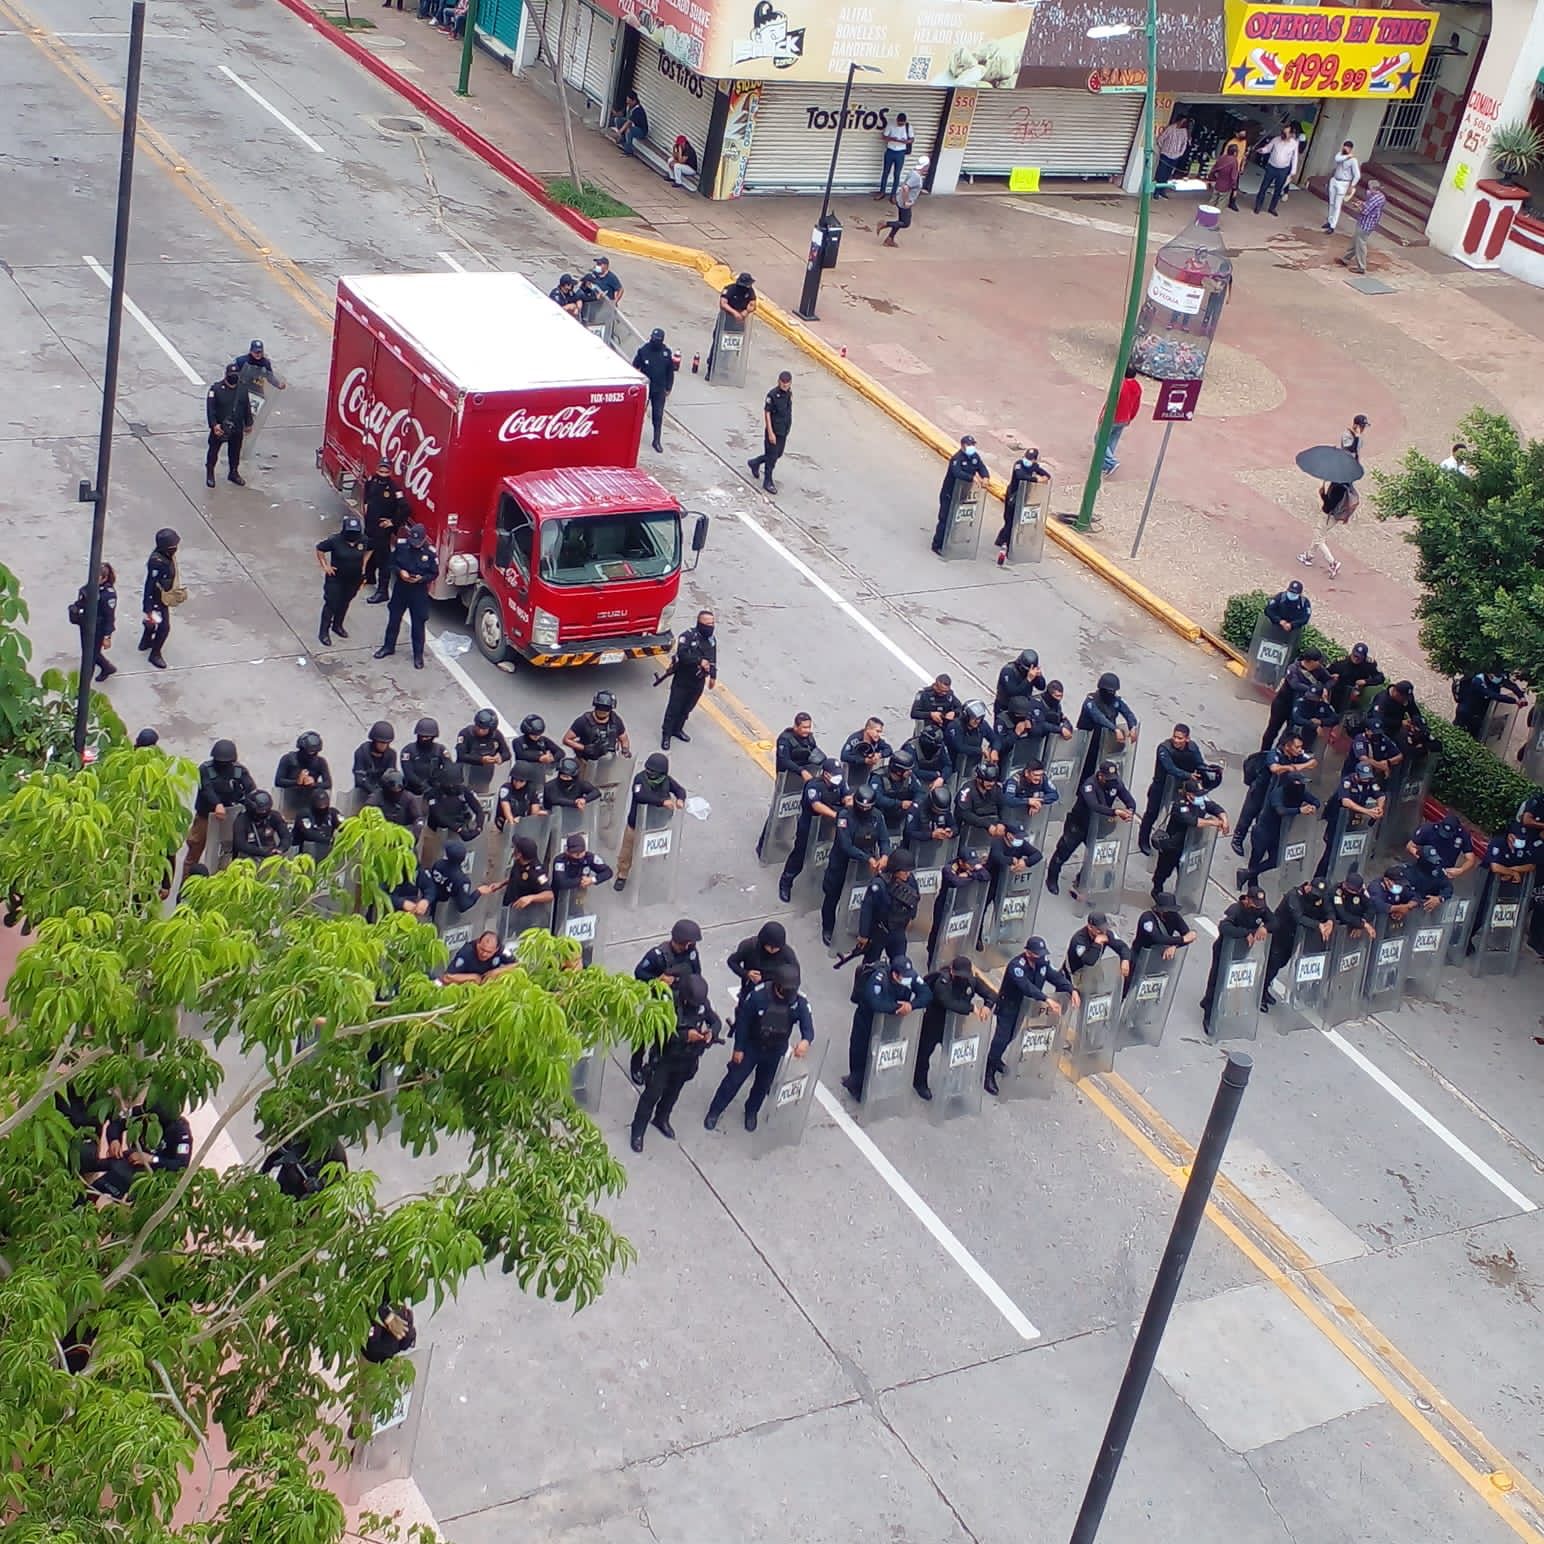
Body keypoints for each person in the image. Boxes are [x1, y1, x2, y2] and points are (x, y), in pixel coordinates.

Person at [703, 963, 813, 1135]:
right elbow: (743, 1023)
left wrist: (805, 1041)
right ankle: (715, 1110)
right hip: (752, 1046)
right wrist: (738, 1048)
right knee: (733, 1081)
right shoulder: (758, 996)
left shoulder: (798, 1001)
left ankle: (751, 1111)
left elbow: (808, 1026)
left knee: (763, 1085)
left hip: (775, 1051)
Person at [631, 974, 721, 1151]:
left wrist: (712, 1033)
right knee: (651, 1095)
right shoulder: (668, 1002)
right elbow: (661, 1031)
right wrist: (686, 1036)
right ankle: (638, 1131)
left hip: (687, 1060)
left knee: (673, 1093)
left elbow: (715, 1021)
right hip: (665, 1058)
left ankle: (661, 1119)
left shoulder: (702, 1003)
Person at [985, 936, 1076, 1096]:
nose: (1040, 957)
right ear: (1028, 953)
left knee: (1011, 1036)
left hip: (1024, 1008)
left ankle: (996, 1060)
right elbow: (1026, 987)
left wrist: (1071, 989)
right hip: (1008, 1008)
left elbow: (1054, 976)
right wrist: (1046, 999)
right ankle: (988, 1073)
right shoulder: (1016, 966)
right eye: (1037, 954)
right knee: (1001, 1039)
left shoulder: (1042, 963)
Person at [843, 953, 930, 1101]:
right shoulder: (879, 979)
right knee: (860, 1052)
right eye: (903, 977)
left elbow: (926, 994)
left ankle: (877, 1082)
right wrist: (898, 1007)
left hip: (891, 1023)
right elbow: (875, 1002)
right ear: (894, 974)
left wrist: (911, 1005)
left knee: (886, 1051)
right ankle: (856, 1086)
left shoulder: (909, 977)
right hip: (867, 1020)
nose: (907, 980)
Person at [1046, 759, 1135, 898]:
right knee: (1063, 852)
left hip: (1098, 826)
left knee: (1095, 857)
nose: (1111, 781)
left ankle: (1081, 881)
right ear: (1100, 775)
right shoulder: (1089, 785)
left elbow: (1129, 799)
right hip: (1078, 824)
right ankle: (1052, 878)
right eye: (1108, 778)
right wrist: (1115, 812)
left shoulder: (1115, 783)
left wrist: (1130, 810)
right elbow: (1094, 806)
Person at [631, 918, 704, 1083]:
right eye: (686, 943)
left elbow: (696, 975)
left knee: (665, 1037)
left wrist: (677, 981)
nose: (689, 946)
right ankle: (636, 1066)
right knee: (643, 1036)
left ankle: (654, 1064)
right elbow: (639, 973)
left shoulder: (691, 954)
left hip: (677, 1002)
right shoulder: (657, 955)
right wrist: (657, 980)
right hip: (655, 1001)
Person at [913, 955, 995, 1100]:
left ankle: (954, 1084)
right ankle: (920, 1083)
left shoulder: (971, 980)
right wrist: (971, 1008)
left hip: (955, 1024)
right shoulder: (942, 981)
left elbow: (991, 994)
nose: (962, 978)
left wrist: (988, 1006)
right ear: (952, 971)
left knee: (955, 1056)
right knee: (924, 1054)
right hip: (934, 1023)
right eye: (959, 975)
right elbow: (948, 1002)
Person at [821, 784, 890, 947]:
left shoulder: (877, 817)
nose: (864, 810)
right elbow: (846, 846)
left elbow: (884, 839)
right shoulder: (844, 817)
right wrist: (868, 858)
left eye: (868, 807)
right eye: (861, 807)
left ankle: (854, 926)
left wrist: (885, 855)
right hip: (842, 864)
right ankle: (828, 928)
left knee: (859, 897)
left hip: (863, 867)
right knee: (832, 896)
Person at [1137, 724, 1218, 856]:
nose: (1176, 740)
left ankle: (1170, 843)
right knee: (1152, 813)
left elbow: (1199, 763)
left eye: (1180, 738)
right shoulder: (1164, 748)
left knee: (1180, 815)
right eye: (1175, 737)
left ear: (1187, 739)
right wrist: (1188, 775)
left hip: (1181, 787)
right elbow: (1170, 768)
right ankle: (1143, 841)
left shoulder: (1192, 748)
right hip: (1161, 786)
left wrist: (1209, 771)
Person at [1199, 886, 1271, 1034]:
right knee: (1217, 982)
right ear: (1248, 900)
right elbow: (1224, 927)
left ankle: (1207, 1001)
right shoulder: (1236, 909)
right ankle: (1209, 1016)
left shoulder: (1261, 909)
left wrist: (1265, 928)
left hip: (1241, 953)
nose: (1258, 907)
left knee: (1228, 983)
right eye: (1255, 903)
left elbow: (1274, 921)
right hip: (1224, 951)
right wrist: (1246, 933)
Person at [613, 752, 685, 893]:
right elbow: (641, 796)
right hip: (636, 824)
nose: (650, 773)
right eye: (648, 770)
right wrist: (662, 802)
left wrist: (680, 799)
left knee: (650, 850)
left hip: (655, 824)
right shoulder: (640, 779)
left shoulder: (666, 781)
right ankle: (622, 875)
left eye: (653, 771)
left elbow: (679, 790)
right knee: (627, 851)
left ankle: (647, 866)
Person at [777, 757, 847, 901]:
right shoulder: (813, 786)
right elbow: (816, 805)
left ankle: (814, 883)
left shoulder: (840, 783)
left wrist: (848, 804)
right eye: (834, 774)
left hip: (827, 827)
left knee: (822, 854)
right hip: (809, 825)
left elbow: (847, 796)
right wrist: (835, 815)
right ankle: (786, 882)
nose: (838, 777)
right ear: (826, 774)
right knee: (800, 855)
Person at [1238, 769, 1318, 889]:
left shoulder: (1300, 792)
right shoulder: (1277, 793)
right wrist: (1300, 810)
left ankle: (1246, 874)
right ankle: (1251, 882)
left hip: (1278, 833)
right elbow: (1280, 810)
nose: (1302, 786)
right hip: (1263, 830)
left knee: (1275, 860)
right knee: (1256, 858)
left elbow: (1315, 801)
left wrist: (1313, 806)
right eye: (1299, 783)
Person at [373, 522, 438, 670]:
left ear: (424, 539)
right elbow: (391, 563)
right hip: (401, 589)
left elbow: (434, 573)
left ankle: (418, 655)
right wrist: (400, 571)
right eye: (413, 541)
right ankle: (388, 647)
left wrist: (421, 578)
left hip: (418, 591)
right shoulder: (402, 546)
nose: (415, 545)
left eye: (418, 542)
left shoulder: (430, 553)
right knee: (394, 619)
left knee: (418, 624)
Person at [1262, 877, 1334, 1008]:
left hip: (1293, 937)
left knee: (1282, 963)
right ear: (1308, 886)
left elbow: (1328, 909)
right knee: (1273, 963)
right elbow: (1298, 917)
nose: (1316, 896)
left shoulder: (1319, 896)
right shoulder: (1294, 896)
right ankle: (1261, 992)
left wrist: (1330, 921)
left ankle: (1265, 988)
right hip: (1280, 933)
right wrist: (1318, 925)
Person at [1150, 777, 1229, 896]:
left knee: (1186, 873)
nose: (1200, 797)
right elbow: (1193, 821)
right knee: (1164, 870)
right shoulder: (1180, 805)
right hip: (1175, 845)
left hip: (1192, 844)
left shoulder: (1200, 800)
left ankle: (1181, 894)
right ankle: (1157, 890)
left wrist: (1224, 819)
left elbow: (1213, 807)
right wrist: (1214, 822)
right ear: (1189, 795)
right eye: (1197, 795)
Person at [186, 738, 256, 867]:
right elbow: (206, 788)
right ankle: (187, 878)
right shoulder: (205, 769)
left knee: (229, 848)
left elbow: (250, 789)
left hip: (230, 815)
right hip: (206, 816)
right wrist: (217, 804)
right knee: (195, 847)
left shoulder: (239, 770)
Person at [1315, 761, 1385, 880]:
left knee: (1350, 847)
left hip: (1354, 820)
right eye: (1363, 777)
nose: (1366, 780)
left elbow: (1381, 795)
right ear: (1356, 775)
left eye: (1368, 777)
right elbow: (1345, 802)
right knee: (1330, 850)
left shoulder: (1370, 781)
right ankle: (1319, 878)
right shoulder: (1347, 781)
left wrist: (1379, 807)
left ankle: (1343, 875)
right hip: (1337, 818)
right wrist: (1367, 811)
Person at [658, 610, 718, 750]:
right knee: (674, 708)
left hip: (698, 681)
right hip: (683, 679)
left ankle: (677, 729)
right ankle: (666, 734)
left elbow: (712, 658)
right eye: (708, 624)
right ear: (700, 623)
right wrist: (699, 661)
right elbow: (682, 655)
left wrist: (713, 676)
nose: (711, 627)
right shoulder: (688, 636)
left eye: (712, 623)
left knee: (687, 708)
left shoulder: (711, 640)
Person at [857, 847, 920, 963]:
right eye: (904, 872)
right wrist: (863, 934)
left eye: (909, 871)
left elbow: (915, 899)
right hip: (879, 930)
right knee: (871, 963)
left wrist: (911, 917)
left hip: (898, 930)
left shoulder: (910, 880)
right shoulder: (879, 884)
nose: (908, 874)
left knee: (900, 962)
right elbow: (867, 908)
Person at [1076, 671, 1140, 779]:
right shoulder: (1090, 702)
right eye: (1109, 691)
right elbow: (1098, 717)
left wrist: (1132, 727)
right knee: (1085, 773)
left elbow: (1128, 713)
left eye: (1113, 691)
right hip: (1087, 745)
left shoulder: (1115, 701)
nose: (1111, 694)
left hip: (1105, 744)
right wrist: (1115, 729)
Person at [362, 458, 409, 604]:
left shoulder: (394, 489)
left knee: (383, 561)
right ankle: (369, 577)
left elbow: (405, 509)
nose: (382, 473)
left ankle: (382, 591)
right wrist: (365, 506)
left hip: (382, 530)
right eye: (380, 470)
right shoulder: (371, 481)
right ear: (377, 469)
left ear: (390, 471)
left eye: (385, 471)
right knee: (369, 550)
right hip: (370, 525)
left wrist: (392, 522)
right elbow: (366, 495)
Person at [932, 434, 989, 555]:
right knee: (945, 519)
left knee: (955, 520)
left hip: (962, 494)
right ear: (963, 445)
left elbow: (981, 467)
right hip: (949, 494)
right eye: (969, 445)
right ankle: (937, 545)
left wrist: (985, 477)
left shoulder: (974, 457)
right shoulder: (957, 459)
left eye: (973, 444)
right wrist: (971, 477)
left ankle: (949, 541)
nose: (972, 447)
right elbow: (957, 472)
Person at [316, 513, 367, 646]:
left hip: (354, 578)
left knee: (345, 602)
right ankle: (323, 632)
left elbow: (370, 549)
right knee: (331, 603)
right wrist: (325, 566)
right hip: (336, 578)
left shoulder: (363, 540)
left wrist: (364, 565)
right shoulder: (335, 540)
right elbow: (320, 549)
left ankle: (337, 625)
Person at [138, 528, 183, 671]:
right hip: (157, 600)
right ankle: (155, 654)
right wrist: (148, 606)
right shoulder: (157, 562)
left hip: (163, 596)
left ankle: (145, 641)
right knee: (164, 627)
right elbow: (150, 584)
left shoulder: (167, 557)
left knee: (153, 621)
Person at [994, 449, 1051, 561]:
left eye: (1031, 459)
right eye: (1027, 458)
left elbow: (1046, 475)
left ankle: (1002, 540)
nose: (1028, 460)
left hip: (1024, 497)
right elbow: (1021, 476)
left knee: (1014, 522)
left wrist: (1045, 478)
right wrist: (1036, 479)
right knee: (1009, 520)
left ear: (1035, 460)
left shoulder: (1034, 466)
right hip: (1013, 496)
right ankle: (1005, 543)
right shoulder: (1019, 465)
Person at [727, 921, 799, 1007]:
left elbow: (796, 976)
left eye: (777, 947)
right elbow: (732, 962)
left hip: (775, 994)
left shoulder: (787, 954)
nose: (773, 950)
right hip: (750, 991)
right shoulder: (749, 947)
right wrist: (746, 974)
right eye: (770, 946)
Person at [204, 360, 252, 488]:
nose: (233, 377)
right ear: (226, 375)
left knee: (235, 452)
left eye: (236, 375)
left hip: (237, 427)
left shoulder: (242, 389)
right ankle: (210, 473)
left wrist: (249, 423)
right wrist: (214, 425)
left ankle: (233, 473)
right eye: (231, 375)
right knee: (213, 452)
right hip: (220, 427)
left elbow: (246, 406)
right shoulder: (216, 389)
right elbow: (210, 409)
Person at [747, 371, 793, 495]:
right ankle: (767, 481)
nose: (785, 385)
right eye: (783, 382)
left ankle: (755, 462)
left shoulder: (789, 394)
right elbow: (767, 413)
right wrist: (770, 432)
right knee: (772, 457)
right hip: (774, 430)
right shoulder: (772, 395)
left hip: (783, 431)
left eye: (787, 383)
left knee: (778, 454)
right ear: (779, 381)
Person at [632, 327, 677, 454]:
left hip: (659, 390)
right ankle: (635, 437)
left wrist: (668, 387)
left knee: (658, 415)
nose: (655, 341)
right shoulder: (643, 351)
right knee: (639, 414)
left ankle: (656, 440)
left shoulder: (666, 353)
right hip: (646, 389)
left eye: (657, 339)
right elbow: (635, 367)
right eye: (653, 338)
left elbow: (670, 372)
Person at [1299, 481, 1358, 577]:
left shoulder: (1337, 488)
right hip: (1334, 517)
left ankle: (1333, 562)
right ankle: (1309, 556)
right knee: (1318, 535)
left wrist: (1322, 494)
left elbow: (1329, 505)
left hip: (1328, 516)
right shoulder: (1346, 487)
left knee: (1319, 539)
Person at [72, 562, 116, 682]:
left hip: (97, 629)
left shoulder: (107, 595)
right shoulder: (89, 587)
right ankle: (107, 667)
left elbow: (109, 617)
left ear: (104, 578)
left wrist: (107, 636)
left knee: (89, 658)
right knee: (89, 651)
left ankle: (84, 685)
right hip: (85, 624)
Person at [1454, 669, 1526, 739]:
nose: (1499, 678)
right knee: (1459, 732)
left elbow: (1510, 685)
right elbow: (1493, 695)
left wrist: (1521, 696)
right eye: (1497, 676)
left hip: (1480, 714)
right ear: (1489, 675)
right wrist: (1514, 701)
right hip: (1466, 711)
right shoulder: (1477, 681)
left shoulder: (1496, 678)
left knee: (1476, 734)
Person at [500, 834, 554, 925]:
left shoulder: (536, 872)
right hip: (509, 911)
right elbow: (517, 878)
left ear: (519, 854)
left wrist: (531, 898)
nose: (513, 849)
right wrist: (501, 884)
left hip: (526, 918)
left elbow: (549, 895)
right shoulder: (519, 862)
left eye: (515, 848)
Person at [565, 689, 631, 762]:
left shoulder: (615, 721)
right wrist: (584, 748)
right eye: (600, 707)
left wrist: (625, 750)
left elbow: (624, 738)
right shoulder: (583, 721)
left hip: (609, 760)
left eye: (606, 708)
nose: (602, 711)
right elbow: (567, 739)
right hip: (586, 759)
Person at [425, 764, 486, 845]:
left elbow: (478, 809)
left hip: (457, 827)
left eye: (454, 783)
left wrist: (479, 827)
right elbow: (439, 816)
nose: (452, 786)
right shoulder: (434, 794)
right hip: (438, 829)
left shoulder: (462, 790)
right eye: (449, 784)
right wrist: (458, 829)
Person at [1066, 911, 1132, 982]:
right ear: (1090, 927)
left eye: (1104, 928)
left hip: (1094, 966)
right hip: (1077, 970)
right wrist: (1097, 943)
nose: (1103, 932)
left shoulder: (1105, 933)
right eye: (1098, 929)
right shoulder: (1079, 941)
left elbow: (1122, 947)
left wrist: (1125, 959)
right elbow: (1089, 961)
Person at [1339, 180, 1386, 275]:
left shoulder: (1375, 198)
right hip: (1368, 223)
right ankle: (1345, 259)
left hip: (1366, 223)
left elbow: (1365, 211)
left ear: (1373, 188)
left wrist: (1357, 206)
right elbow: (1368, 204)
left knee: (1360, 245)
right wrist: (1362, 203)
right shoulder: (1381, 196)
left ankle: (1361, 267)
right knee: (1355, 241)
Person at [880, 156, 928, 247]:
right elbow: (906, 188)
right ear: (925, 166)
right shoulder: (917, 177)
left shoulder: (913, 172)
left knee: (900, 221)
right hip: (904, 203)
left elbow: (910, 186)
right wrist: (907, 202)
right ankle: (885, 224)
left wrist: (919, 191)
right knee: (905, 223)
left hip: (900, 199)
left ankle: (889, 239)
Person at [1253, 123, 1300, 215]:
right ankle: (1258, 206)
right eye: (1283, 132)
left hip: (1283, 170)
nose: (1283, 135)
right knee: (1264, 187)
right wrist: (1261, 150)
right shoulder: (1276, 139)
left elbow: (1295, 158)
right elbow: (1268, 148)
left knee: (1278, 190)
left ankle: (1272, 208)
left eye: (1286, 133)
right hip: (1271, 167)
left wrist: (1293, 171)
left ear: (1291, 134)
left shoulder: (1294, 144)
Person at [1326, 642, 1384, 715]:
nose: (1356, 659)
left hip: (1358, 694)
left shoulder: (1369, 664)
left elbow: (1380, 678)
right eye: (1355, 656)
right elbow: (1326, 673)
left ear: (1364, 657)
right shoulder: (1341, 662)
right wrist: (1332, 676)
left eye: (1359, 657)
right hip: (1339, 691)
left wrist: (1366, 681)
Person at [1104, 367, 1142, 475]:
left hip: (1114, 417)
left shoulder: (1121, 385)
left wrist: (1103, 415)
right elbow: (1136, 405)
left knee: (1099, 438)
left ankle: (1111, 462)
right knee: (1112, 440)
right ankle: (1106, 465)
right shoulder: (1137, 387)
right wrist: (1130, 418)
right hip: (1125, 418)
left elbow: (1112, 402)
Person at [232, 789, 290, 861]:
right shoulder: (241, 820)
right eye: (260, 810)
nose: (263, 812)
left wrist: (281, 848)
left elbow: (286, 836)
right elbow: (240, 844)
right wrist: (263, 852)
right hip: (248, 857)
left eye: (266, 810)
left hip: (271, 854)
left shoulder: (274, 816)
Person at [365, 768, 424, 837]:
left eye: (399, 786)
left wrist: (415, 831)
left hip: (404, 833)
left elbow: (418, 818)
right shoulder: (375, 799)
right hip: (382, 834)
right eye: (393, 785)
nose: (396, 789)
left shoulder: (408, 798)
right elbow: (366, 816)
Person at [440, 931, 515, 985]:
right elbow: (446, 978)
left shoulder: (502, 951)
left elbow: (517, 965)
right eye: (482, 949)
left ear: (496, 949)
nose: (484, 954)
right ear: (478, 943)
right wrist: (473, 977)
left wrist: (497, 971)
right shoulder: (466, 952)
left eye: (489, 952)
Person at [401, 717, 451, 796]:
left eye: (427, 737)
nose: (423, 739)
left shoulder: (440, 750)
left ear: (433, 737)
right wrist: (424, 786)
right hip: (413, 791)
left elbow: (448, 768)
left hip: (435, 789)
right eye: (421, 736)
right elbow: (408, 774)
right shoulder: (408, 751)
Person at [292, 786, 342, 860]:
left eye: (324, 807)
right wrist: (329, 840)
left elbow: (344, 826)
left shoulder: (332, 813)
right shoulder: (304, 814)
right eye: (320, 807)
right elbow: (309, 834)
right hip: (303, 852)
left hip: (325, 850)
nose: (322, 810)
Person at [275, 731, 332, 797]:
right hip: (290, 797)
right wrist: (297, 782)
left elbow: (328, 783)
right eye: (308, 752)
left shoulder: (320, 762)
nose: (311, 755)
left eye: (314, 752)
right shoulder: (288, 759)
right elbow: (278, 781)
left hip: (310, 798)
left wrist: (313, 784)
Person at [456, 709, 511, 775]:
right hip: (467, 768)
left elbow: (507, 753)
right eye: (478, 727)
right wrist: (480, 759)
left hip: (486, 770)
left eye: (484, 729)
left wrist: (500, 758)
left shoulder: (496, 735)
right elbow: (461, 755)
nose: (480, 731)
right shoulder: (465, 734)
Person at [876, 111, 915, 200]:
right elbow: (883, 137)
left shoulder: (908, 127)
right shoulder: (891, 125)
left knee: (897, 174)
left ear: (905, 121)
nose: (900, 125)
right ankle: (882, 192)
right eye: (899, 123)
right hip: (890, 151)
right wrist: (891, 139)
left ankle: (893, 195)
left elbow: (912, 139)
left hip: (900, 152)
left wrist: (906, 141)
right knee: (885, 172)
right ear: (896, 120)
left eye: (902, 124)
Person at [1324, 140, 1361, 233]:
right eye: (1344, 146)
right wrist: (1347, 156)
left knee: (1337, 205)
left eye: (1347, 148)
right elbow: (1337, 159)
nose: (1345, 149)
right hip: (1334, 180)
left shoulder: (1353, 160)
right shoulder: (1340, 155)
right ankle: (1329, 221)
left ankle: (1332, 226)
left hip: (1344, 183)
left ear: (1351, 149)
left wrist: (1352, 186)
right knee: (1331, 203)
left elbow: (1357, 175)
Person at [352, 721, 397, 796]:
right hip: (363, 792)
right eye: (381, 742)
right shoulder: (362, 752)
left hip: (383, 792)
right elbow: (359, 778)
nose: (383, 746)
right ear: (374, 741)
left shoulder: (391, 754)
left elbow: (392, 776)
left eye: (386, 743)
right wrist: (374, 792)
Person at [1154, 115, 1190, 196]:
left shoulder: (1184, 131)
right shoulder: (1170, 128)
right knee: (1161, 174)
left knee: (1168, 174)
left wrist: (1180, 153)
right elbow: (1161, 139)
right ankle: (1156, 191)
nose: (1183, 123)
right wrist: (1163, 149)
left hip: (1175, 156)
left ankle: (1162, 191)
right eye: (1182, 121)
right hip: (1165, 155)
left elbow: (1184, 144)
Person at [1209, 139, 1241, 212]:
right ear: (1235, 153)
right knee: (1221, 204)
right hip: (1226, 186)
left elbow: (1214, 169)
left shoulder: (1222, 158)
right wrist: (1234, 187)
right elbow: (1233, 176)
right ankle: (1214, 217)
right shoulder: (1234, 161)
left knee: (1212, 200)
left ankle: (1207, 215)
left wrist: (1212, 178)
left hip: (1218, 184)